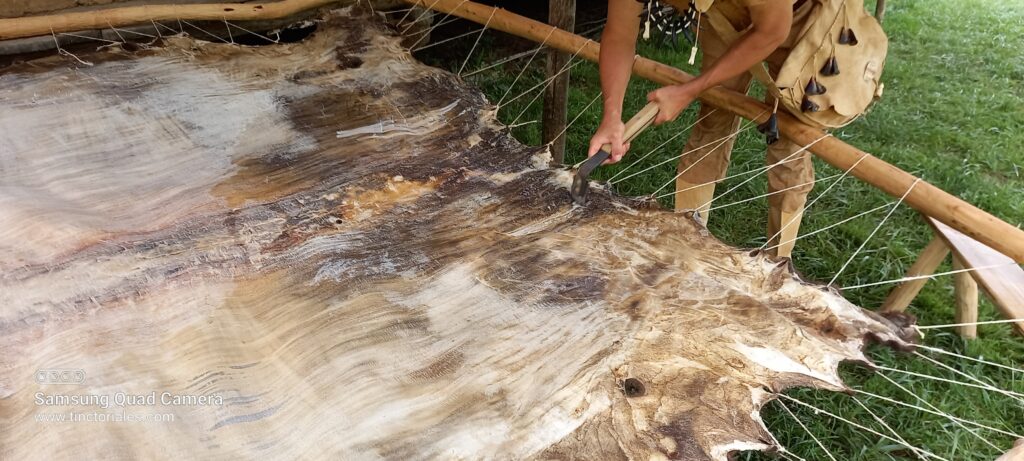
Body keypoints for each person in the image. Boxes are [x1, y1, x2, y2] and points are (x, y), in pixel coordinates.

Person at [589, 0, 814, 258]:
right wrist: (611, 116)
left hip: (800, 20)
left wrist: (688, 91)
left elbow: (773, 30)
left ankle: (778, 270)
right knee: (713, 117)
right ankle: (684, 251)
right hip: (726, 16)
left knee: (789, 141)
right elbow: (619, 33)